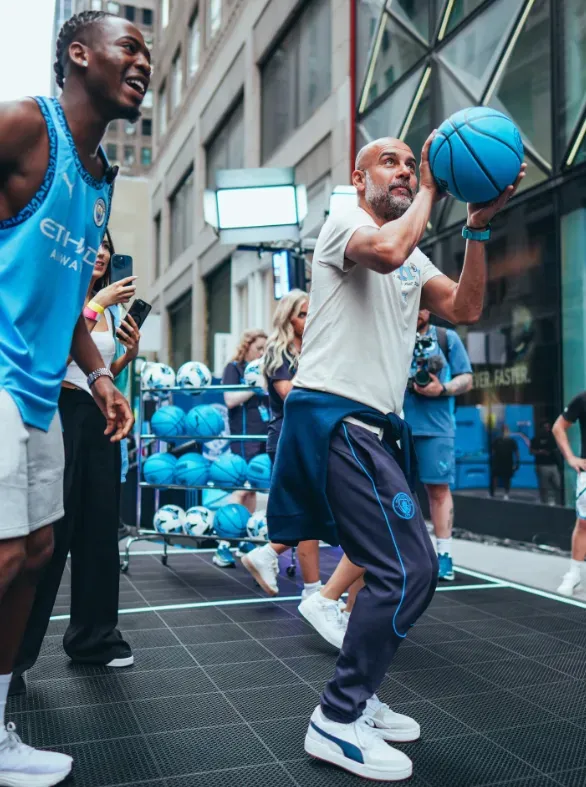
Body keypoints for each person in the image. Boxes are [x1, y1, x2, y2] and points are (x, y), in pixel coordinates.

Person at [266, 133, 524, 781]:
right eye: (393, 162)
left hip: (372, 425)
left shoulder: (412, 252)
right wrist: (437, 188)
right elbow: (386, 251)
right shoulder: (348, 223)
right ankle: (337, 716)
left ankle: (358, 695)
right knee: (408, 566)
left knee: (405, 565)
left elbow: (465, 306)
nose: (407, 170)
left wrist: (478, 227)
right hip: (335, 415)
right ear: (360, 179)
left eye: (414, 164)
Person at [0, 9, 149, 784]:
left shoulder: (97, 183)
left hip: (40, 387)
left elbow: (63, 306)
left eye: (147, 51)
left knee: (36, 555)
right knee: (1, 556)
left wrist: (99, 376)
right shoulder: (28, 125)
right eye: (130, 46)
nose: (143, 60)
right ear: (77, 53)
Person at [10, 230, 141, 697]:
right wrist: (98, 303)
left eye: (106, 244)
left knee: (99, 531)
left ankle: (93, 638)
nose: (102, 251)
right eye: (93, 243)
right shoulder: (64, 292)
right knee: (49, 535)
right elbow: (50, 351)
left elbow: (98, 371)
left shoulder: (110, 313)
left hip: (99, 418)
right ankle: (16, 656)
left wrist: (126, 355)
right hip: (58, 415)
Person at [240, 290, 322, 599]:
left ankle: (310, 588)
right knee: (311, 509)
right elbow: (292, 396)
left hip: (311, 437)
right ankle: (271, 556)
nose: (309, 318)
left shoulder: (313, 347)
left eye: (311, 313)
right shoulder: (278, 351)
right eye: (302, 314)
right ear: (287, 318)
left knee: (311, 509)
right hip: (289, 439)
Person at [402, 309, 473, 580]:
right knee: (398, 491)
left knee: (438, 490)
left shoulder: (447, 338)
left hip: (437, 427)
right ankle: (406, 553)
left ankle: (444, 555)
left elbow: (466, 378)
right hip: (398, 424)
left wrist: (441, 389)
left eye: (422, 304)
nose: (417, 310)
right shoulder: (393, 334)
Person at [214, 330, 269, 567]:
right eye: (259, 349)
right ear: (246, 348)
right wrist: (254, 387)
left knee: (252, 489)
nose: (263, 354)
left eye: (266, 349)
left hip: (263, 435)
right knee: (240, 488)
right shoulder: (234, 368)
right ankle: (222, 543)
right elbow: (229, 400)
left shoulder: (266, 370)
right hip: (243, 437)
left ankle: (244, 537)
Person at [553, 395, 586, 596]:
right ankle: (574, 574)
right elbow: (558, 427)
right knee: (584, 523)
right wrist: (571, 458)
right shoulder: (583, 399)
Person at [530, 420, 561, 505]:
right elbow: (531, 451)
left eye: (548, 427)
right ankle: (545, 501)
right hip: (542, 465)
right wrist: (541, 452)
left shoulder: (552, 438)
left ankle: (558, 501)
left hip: (553, 464)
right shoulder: (536, 439)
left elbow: (556, 449)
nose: (547, 429)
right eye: (545, 427)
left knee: (558, 484)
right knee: (544, 485)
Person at [490, 425, 520, 500]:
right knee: (494, 477)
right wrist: (492, 461)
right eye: (503, 430)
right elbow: (492, 451)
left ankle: (506, 493)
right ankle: (492, 493)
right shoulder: (497, 440)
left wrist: (517, 462)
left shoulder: (511, 441)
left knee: (507, 478)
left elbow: (516, 452)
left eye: (506, 430)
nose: (504, 432)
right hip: (498, 462)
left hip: (508, 462)